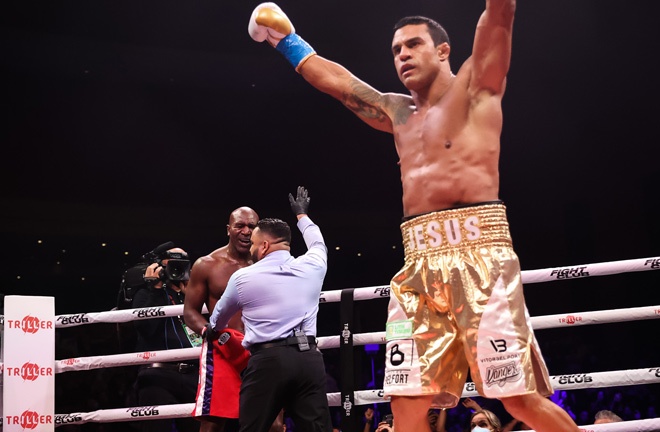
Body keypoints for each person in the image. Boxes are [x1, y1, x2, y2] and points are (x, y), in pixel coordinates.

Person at [248, 2, 580, 432]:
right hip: (418, 265)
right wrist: (284, 39)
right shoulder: (397, 111)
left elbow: (499, 17)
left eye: (413, 44)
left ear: (443, 51)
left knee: (516, 398)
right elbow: (339, 84)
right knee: (406, 401)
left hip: (481, 257)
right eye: (395, 50)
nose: (402, 54)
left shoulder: (477, 88)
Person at [207, 186, 333, 432]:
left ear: (264, 246)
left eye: (254, 243)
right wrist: (302, 215)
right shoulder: (314, 265)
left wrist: (215, 330)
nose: (251, 249)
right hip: (309, 359)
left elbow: (218, 319)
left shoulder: (243, 278)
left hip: (268, 361)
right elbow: (317, 241)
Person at [183, 206, 260, 432]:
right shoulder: (207, 265)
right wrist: (213, 333)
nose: (246, 231)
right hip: (223, 351)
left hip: (261, 348)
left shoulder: (266, 264)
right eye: (240, 226)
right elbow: (190, 312)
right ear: (229, 230)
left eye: (252, 226)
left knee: (272, 423)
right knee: (213, 423)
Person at [131, 245, 199, 432]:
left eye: (182, 263)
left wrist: (192, 297)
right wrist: (155, 289)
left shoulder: (194, 296)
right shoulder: (145, 294)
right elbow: (146, 330)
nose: (177, 269)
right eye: (172, 264)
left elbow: (210, 328)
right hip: (157, 375)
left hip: (195, 375)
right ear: (160, 266)